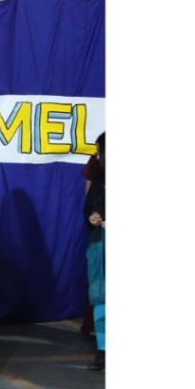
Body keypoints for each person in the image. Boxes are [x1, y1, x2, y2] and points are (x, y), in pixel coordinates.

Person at [83, 131, 106, 371]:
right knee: (100, 294)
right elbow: (88, 205)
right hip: (101, 243)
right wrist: (93, 215)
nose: (97, 157)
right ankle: (103, 349)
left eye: (100, 152)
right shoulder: (100, 178)